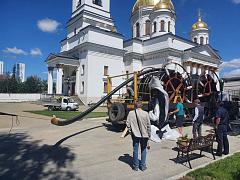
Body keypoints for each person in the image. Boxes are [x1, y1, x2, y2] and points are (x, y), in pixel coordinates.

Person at [126, 100, 151, 171]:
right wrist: (149, 135)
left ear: (134, 105)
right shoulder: (145, 113)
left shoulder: (131, 113)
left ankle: (135, 166)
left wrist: (131, 131)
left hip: (135, 134)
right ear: (141, 106)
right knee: (143, 150)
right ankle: (143, 166)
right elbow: (148, 125)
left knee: (135, 150)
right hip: (144, 135)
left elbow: (128, 124)